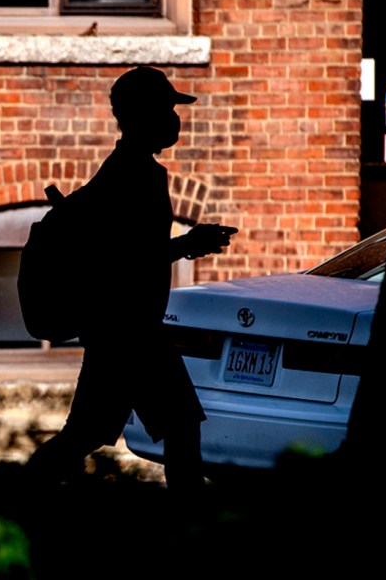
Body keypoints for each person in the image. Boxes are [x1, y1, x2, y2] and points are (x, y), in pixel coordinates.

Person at [26, 66, 237, 508]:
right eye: (167, 108)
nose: (175, 119)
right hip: (128, 335)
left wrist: (182, 245)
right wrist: (186, 243)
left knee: (106, 433)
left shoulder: (128, 169)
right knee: (165, 429)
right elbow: (127, 259)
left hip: (126, 332)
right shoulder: (133, 175)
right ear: (142, 115)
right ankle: (13, 501)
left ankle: (15, 498)